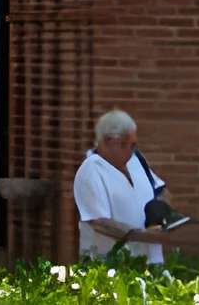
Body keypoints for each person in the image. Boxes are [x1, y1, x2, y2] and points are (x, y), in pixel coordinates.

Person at [72, 108, 188, 263]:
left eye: (134, 145)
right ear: (108, 141)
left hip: (150, 262)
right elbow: (99, 222)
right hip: (111, 265)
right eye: (128, 145)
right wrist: (141, 235)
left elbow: (161, 191)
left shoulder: (135, 159)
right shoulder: (90, 171)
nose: (132, 151)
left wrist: (161, 214)